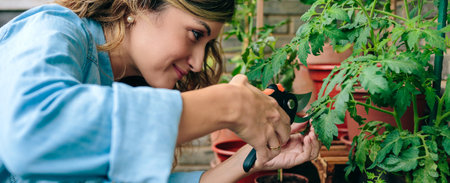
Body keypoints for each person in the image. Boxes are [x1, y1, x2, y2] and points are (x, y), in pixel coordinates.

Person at [0, 0, 320, 182]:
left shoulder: (123, 85)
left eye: (207, 45)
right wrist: (227, 103)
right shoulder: (52, 29)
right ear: (138, 5)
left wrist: (246, 162)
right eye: (195, 34)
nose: (198, 63)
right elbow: (31, 134)